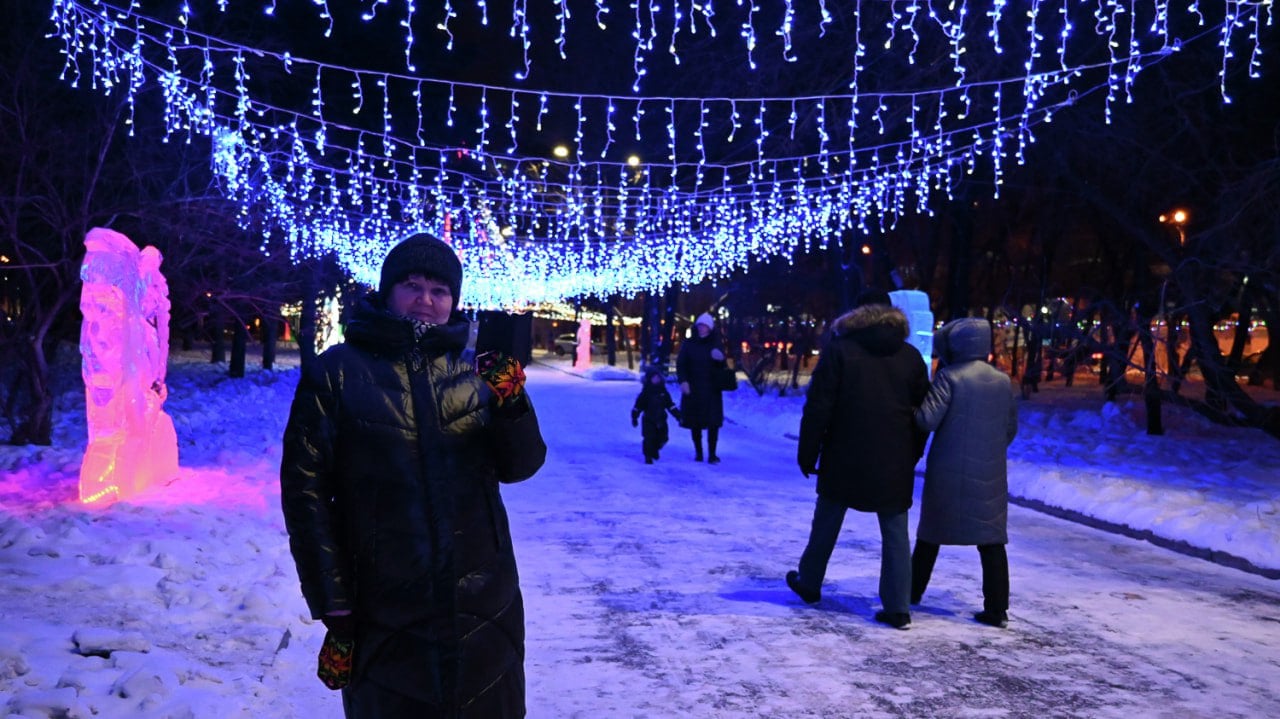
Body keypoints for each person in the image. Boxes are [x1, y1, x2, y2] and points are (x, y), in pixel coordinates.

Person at [280, 232, 547, 718]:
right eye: (413, 285)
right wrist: (332, 598)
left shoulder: (476, 376)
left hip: (484, 601)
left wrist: (512, 406)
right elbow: (306, 492)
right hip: (384, 601)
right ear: (387, 290)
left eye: (440, 290)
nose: (426, 299)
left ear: (454, 301)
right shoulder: (336, 373)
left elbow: (521, 467)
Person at [787, 289, 929, 630]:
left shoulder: (840, 350)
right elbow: (923, 411)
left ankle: (809, 582)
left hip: (844, 452)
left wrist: (808, 452)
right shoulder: (910, 356)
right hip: (894, 456)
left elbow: (819, 406)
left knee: (828, 519)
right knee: (895, 530)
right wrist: (913, 450)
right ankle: (897, 606)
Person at [910, 318, 1019, 628]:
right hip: (991, 470)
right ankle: (997, 608)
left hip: (948, 469)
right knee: (991, 539)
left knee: (931, 534)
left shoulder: (949, 377)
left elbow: (927, 420)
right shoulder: (1002, 381)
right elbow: (1010, 428)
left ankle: (911, 592)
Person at [675, 312, 729, 463]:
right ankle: (698, 452)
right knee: (695, 422)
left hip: (712, 389)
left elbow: (722, 368)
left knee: (713, 423)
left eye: (705, 326)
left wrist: (720, 360)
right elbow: (681, 364)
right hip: (693, 388)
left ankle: (712, 453)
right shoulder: (689, 343)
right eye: (700, 325)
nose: (702, 328)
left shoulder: (716, 343)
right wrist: (683, 381)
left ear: (710, 328)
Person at [631, 368, 682, 464]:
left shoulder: (663, 392)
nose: (656, 379)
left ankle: (655, 449)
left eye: (658, 377)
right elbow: (638, 406)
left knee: (663, 438)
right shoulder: (645, 393)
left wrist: (678, 416)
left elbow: (670, 405)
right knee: (649, 438)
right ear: (649, 379)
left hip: (661, 419)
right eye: (654, 377)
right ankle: (648, 456)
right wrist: (634, 417)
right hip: (648, 419)